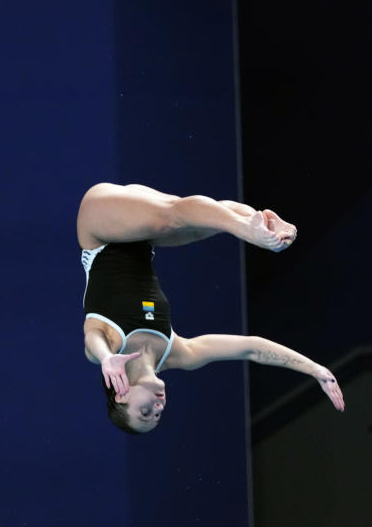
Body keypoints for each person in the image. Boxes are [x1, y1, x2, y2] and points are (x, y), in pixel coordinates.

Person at [78, 183, 345, 434]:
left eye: (144, 412)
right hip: (141, 236)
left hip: (98, 227)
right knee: (199, 226)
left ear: (121, 395)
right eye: (157, 415)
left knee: (172, 219)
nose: (158, 408)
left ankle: (251, 231)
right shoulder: (176, 354)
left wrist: (106, 359)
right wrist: (315, 369)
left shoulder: (109, 350)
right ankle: (263, 222)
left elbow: (92, 338)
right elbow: (250, 348)